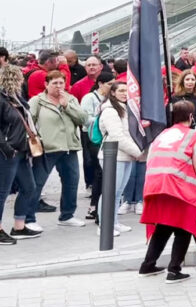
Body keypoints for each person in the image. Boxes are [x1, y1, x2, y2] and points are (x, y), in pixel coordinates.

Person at [138, 101, 196, 283]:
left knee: (164, 224)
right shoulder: (194, 136)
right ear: (191, 116)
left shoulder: (162, 134)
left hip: (156, 185)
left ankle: (148, 264)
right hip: (179, 186)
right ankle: (174, 270)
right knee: (184, 226)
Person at [28, 70, 88, 227]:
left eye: (61, 83)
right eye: (54, 83)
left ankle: (67, 215)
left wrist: (67, 105)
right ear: (46, 85)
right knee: (37, 183)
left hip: (69, 147)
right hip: (47, 149)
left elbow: (83, 118)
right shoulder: (37, 101)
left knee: (71, 182)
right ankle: (28, 218)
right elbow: (28, 123)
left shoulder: (71, 99)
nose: (58, 86)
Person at [97, 81, 143, 236]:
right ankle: (104, 225)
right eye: (121, 90)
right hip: (113, 155)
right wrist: (138, 152)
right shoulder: (110, 110)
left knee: (118, 192)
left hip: (125, 155)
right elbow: (117, 136)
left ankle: (113, 222)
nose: (124, 93)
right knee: (110, 191)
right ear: (113, 93)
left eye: (126, 90)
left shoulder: (125, 108)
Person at [0, 66, 34, 244]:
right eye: (19, 78)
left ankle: (19, 226)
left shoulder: (16, 98)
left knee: (29, 187)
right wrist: (6, 148)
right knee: (2, 192)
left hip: (21, 150)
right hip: (8, 152)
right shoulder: (3, 99)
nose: (22, 81)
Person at [80, 71, 115, 220]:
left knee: (104, 172)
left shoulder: (112, 98)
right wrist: (102, 118)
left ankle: (100, 205)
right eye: (109, 84)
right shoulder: (90, 98)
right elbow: (84, 118)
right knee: (99, 170)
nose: (112, 87)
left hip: (107, 136)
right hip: (93, 137)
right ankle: (94, 206)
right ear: (100, 83)